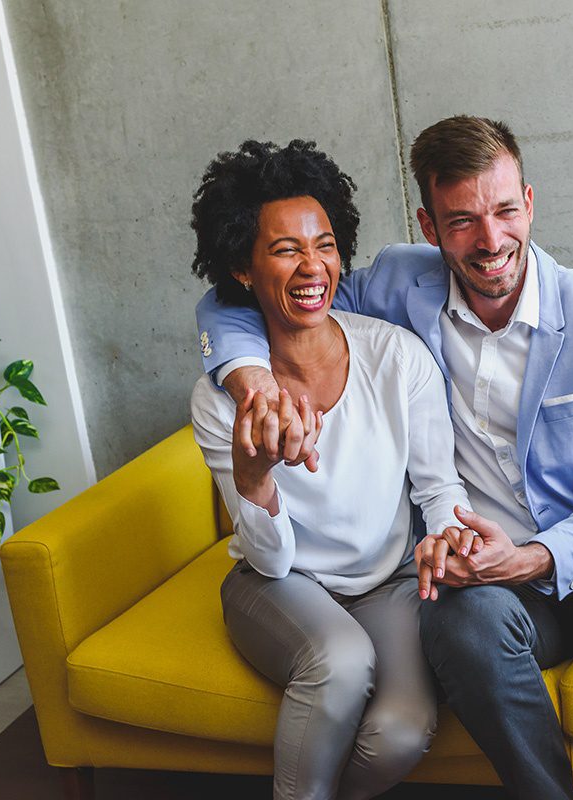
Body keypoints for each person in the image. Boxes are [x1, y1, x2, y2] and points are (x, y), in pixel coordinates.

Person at [196, 116, 573, 799]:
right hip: (480, 584)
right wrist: (248, 379)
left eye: (503, 211)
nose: (491, 240)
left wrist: (532, 557)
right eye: (462, 220)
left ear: (530, 203)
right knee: (456, 622)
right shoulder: (397, 288)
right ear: (429, 228)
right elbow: (247, 295)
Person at [188, 140, 472, 800]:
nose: (312, 265)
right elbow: (270, 559)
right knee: (341, 662)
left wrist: (448, 533)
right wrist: (255, 476)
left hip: (389, 581)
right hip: (279, 584)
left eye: (324, 245)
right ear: (241, 266)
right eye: (285, 249)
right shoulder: (219, 399)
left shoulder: (395, 357)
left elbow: (438, 485)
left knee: (402, 732)